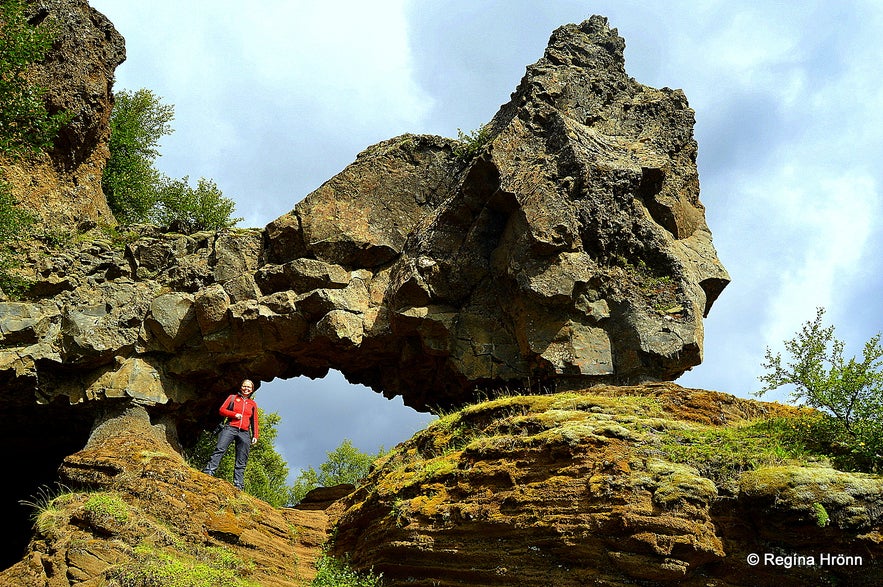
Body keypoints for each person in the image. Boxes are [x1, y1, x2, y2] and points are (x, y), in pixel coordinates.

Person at [203, 379, 260, 490]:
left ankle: (238, 483)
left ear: (252, 390)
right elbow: (222, 410)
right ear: (241, 387)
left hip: (244, 432)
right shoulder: (233, 398)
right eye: (244, 386)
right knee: (219, 449)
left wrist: (255, 436)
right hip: (230, 428)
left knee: (242, 458)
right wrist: (234, 414)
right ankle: (209, 471)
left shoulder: (252, 404)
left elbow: (255, 421)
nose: (246, 389)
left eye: (249, 387)